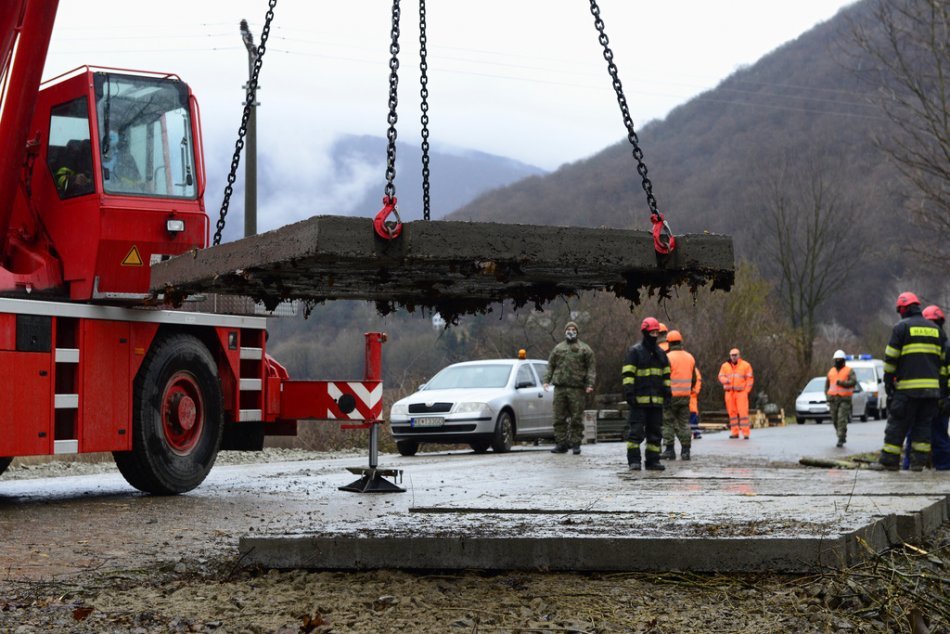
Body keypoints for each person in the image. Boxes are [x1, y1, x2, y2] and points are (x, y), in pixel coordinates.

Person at [873, 292, 947, 472]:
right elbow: (944, 365)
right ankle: (917, 464)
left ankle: (889, 462)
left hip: (907, 390)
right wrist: (943, 392)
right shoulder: (936, 331)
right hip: (931, 392)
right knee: (923, 428)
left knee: (897, 425)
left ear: (904, 309)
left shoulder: (901, 328)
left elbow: (891, 358)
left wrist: (889, 381)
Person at [901, 305, 950, 470]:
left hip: (935, 399)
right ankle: (914, 466)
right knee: (918, 433)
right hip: (929, 397)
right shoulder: (940, 344)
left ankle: (942, 468)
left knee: (935, 435)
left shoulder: (944, 346)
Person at [622, 317, 671, 471]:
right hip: (638, 401)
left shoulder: (661, 354)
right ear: (645, 332)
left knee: (655, 433)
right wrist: (629, 393)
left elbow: (666, 376)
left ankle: (652, 461)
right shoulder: (635, 352)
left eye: (657, 332)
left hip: (656, 402)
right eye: (652, 332)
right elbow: (628, 374)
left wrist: (668, 393)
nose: (655, 335)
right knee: (635, 433)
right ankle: (634, 461)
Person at [544, 321, 596, 455]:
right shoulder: (558, 348)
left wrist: (590, 384)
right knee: (558, 417)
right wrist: (546, 381)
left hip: (577, 388)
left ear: (577, 332)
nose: (571, 331)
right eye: (568, 329)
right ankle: (561, 443)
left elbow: (591, 368)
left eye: (573, 329)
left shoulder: (585, 349)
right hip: (560, 388)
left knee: (576, 418)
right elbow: (550, 366)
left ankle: (576, 444)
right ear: (565, 331)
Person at [661, 330, 699, 460]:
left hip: (670, 396)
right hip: (685, 396)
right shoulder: (690, 357)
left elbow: (663, 377)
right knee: (684, 424)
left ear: (669, 342)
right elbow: (694, 379)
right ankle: (686, 451)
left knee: (668, 422)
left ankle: (669, 450)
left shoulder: (667, 357)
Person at [718, 348, 754, 439]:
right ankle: (735, 432)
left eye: (735, 355)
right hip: (729, 393)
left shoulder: (746, 365)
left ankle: (746, 433)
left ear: (739, 355)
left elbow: (750, 379)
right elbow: (720, 376)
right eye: (732, 355)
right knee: (732, 413)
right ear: (730, 356)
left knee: (743, 413)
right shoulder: (725, 366)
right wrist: (725, 380)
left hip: (741, 393)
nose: (733, 357)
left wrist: (746, 391)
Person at [825, 350, 857, 448]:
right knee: (835, 419)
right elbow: (827, 386)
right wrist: (827, 396)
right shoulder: (831, 371)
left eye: (839, 359)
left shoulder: (849, 370)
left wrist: (843, 383)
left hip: (844, 399)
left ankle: (841, 438)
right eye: (836, 359)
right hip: (833, 399)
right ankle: (841, 435)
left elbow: (853, 382)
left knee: (841, 419)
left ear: (843, 360)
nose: (837, 361)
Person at [689, 366, 703, 439]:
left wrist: (695, 391)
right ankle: (693, 432)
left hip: (691, 394)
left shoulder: (693, 369)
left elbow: (698, 380)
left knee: (693, 412)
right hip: (682, 394)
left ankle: (695, 432)